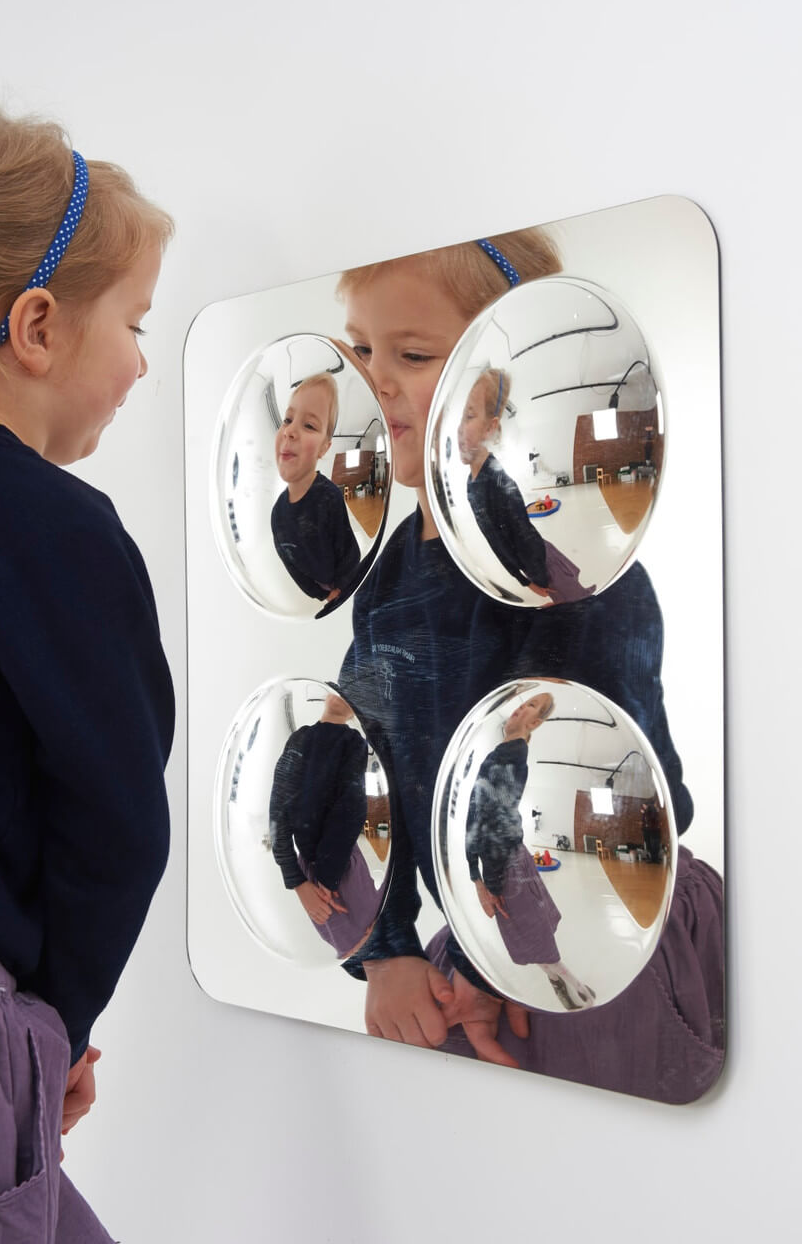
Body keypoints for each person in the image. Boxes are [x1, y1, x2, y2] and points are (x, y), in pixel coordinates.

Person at [335, 228, 724, 1101]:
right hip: (485, 938)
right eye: (360, 348)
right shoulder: (389, 570)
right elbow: (365, 774)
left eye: (413, 352)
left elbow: (609, 786)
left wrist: (506, 942)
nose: (374, 379)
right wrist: (389, 949)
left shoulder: (569, 560)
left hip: (605, 925)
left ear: (500, 391)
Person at [0, 94, 175, 1240]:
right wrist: (56, 1019)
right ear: (35, 326)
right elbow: (119, 816)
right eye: (136, 321)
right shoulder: (49, 523)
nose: (143, 359)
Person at [465, 694, 595, 1010]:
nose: (520, 706)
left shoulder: (511, 754)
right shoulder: (502, 753)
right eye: (523, 703)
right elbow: (476, 814)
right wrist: (476, 877)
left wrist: (489, 882)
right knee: (529, 933)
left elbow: (496, 819)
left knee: (531, 933)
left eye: (531, 706)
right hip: (505, 862)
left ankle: (572, 990)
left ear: (534, 723)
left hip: (505, 865)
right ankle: (567, 985)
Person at [458, 368, 594, 603]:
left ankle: (575, 595)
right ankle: (571, 598)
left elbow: (512, 533)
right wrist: (526, 580)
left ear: (490, 427)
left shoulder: (496, 480)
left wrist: (528, 578)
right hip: (534, 557)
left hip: (536, 554)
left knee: (565, 583)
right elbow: (497, 541)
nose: (459, 429)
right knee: (562, 587)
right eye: (460, 418)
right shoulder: (474, 484)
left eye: (469, 416)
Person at [269, 693, 383, 959]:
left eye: (351, 695)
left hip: (339, 867)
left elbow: (352, 808)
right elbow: (278, 808)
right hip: (313, 873)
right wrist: (296, 880)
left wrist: (325, 878)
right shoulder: (300, 738)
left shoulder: (353, 743)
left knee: (363, 945)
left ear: (354, 714)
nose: (343, 694)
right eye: (338, 688)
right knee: (351, 948)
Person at [270, 373, 361, 605]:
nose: (290, 431)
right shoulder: (277, 513)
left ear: (324, 448)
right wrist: (319, 594)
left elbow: (350, 552)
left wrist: (340, 589)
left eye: (309, 425)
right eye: (288, 419)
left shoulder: (329, 497)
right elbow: (290, 563)